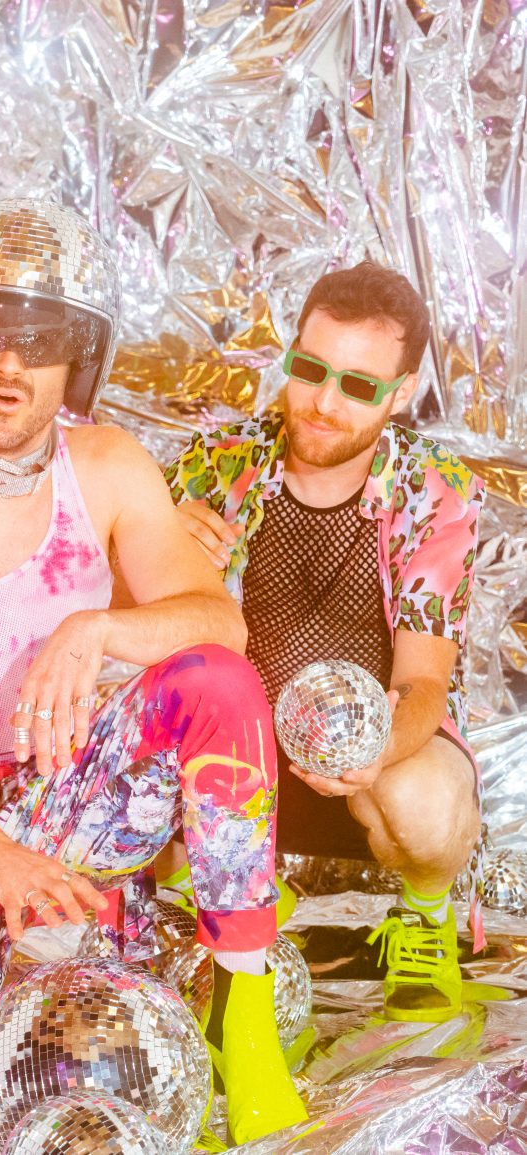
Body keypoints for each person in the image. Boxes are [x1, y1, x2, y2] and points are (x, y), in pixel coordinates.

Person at [0, 198, 306, 1152]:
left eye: (38, 341)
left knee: (216, 681)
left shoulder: (108, 465)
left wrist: (99, 626)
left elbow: (222, 623)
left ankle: (244, 1013)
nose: (9, 364)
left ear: (76, 359)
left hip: (72, 795)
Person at [164, 261, 484, 1023]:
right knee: (117, 778)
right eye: (310, 369)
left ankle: (425, 915)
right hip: (231, 761)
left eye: (359, 385)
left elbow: (425, 680)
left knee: (427, 802)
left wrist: (375, 752)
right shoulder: (217, 464)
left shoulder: (434, 489)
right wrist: (154, 538)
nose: (324, 402)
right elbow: (138, 634)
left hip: (369, 767)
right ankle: (229, 899)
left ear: (401, 393)